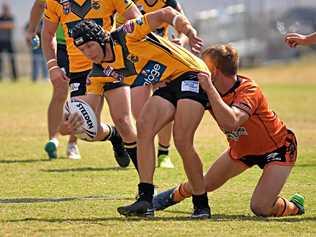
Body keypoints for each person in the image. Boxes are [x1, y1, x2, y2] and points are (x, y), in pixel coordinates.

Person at [71, 6, 211, 218]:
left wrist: (189, 32)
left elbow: (166, 13)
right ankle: (146, 199)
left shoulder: (127, 33)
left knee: (181, 139)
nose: (88, 53)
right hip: (167, 85)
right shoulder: (98, 74)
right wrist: (75, 119)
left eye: (90, 46)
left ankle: (201, 204)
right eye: (83, 50)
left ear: (101, 39)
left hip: (192, 74)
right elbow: (88, 109)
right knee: (144, 128)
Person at [152, 44, 305, 218]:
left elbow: (232, 122)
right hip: (242, 150)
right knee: (204, 183)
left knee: (260, 207)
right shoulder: (207, 89)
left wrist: (209, 89)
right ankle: (172, 196)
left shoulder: (248, 90)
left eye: (204, 67)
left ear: (214, 72)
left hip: (278, 148)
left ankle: (294, 206)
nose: (199, 71)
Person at [41, 0, 142, 167]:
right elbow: (47, 34)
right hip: (80, 72)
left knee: (123, 121)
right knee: (82, 130)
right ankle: (113, 135)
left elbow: (136, 20)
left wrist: (126, 47)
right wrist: (53, 66)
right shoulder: (54, 2)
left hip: (110, 64)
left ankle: (145, 183)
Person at [115, 0, 187, 169]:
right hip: (137, 62)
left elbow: (181, 21)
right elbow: (117, 33)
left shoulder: (168, 2)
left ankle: (163, 153)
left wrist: (181, 41)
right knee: (139, 114)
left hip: (161, 58)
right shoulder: (129, 3)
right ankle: (146, 148)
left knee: (166, 107)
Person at [26, 0, 81, 160]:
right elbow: (39, 5)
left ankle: (73, 143)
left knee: (80, 93)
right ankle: (53, 140)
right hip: (60, 44)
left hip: (84, 42)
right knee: (60, 90)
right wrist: (31, 30)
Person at [0, 3, 18, 81]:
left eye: (6, 8)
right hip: (1, 41)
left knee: (12, 59)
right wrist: (6, 25)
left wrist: (3, 25)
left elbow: (12, 26)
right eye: (4, 8)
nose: (5, 10)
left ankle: (14, 77)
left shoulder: (11, 17)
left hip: (9, 41)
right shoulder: (1, 17)